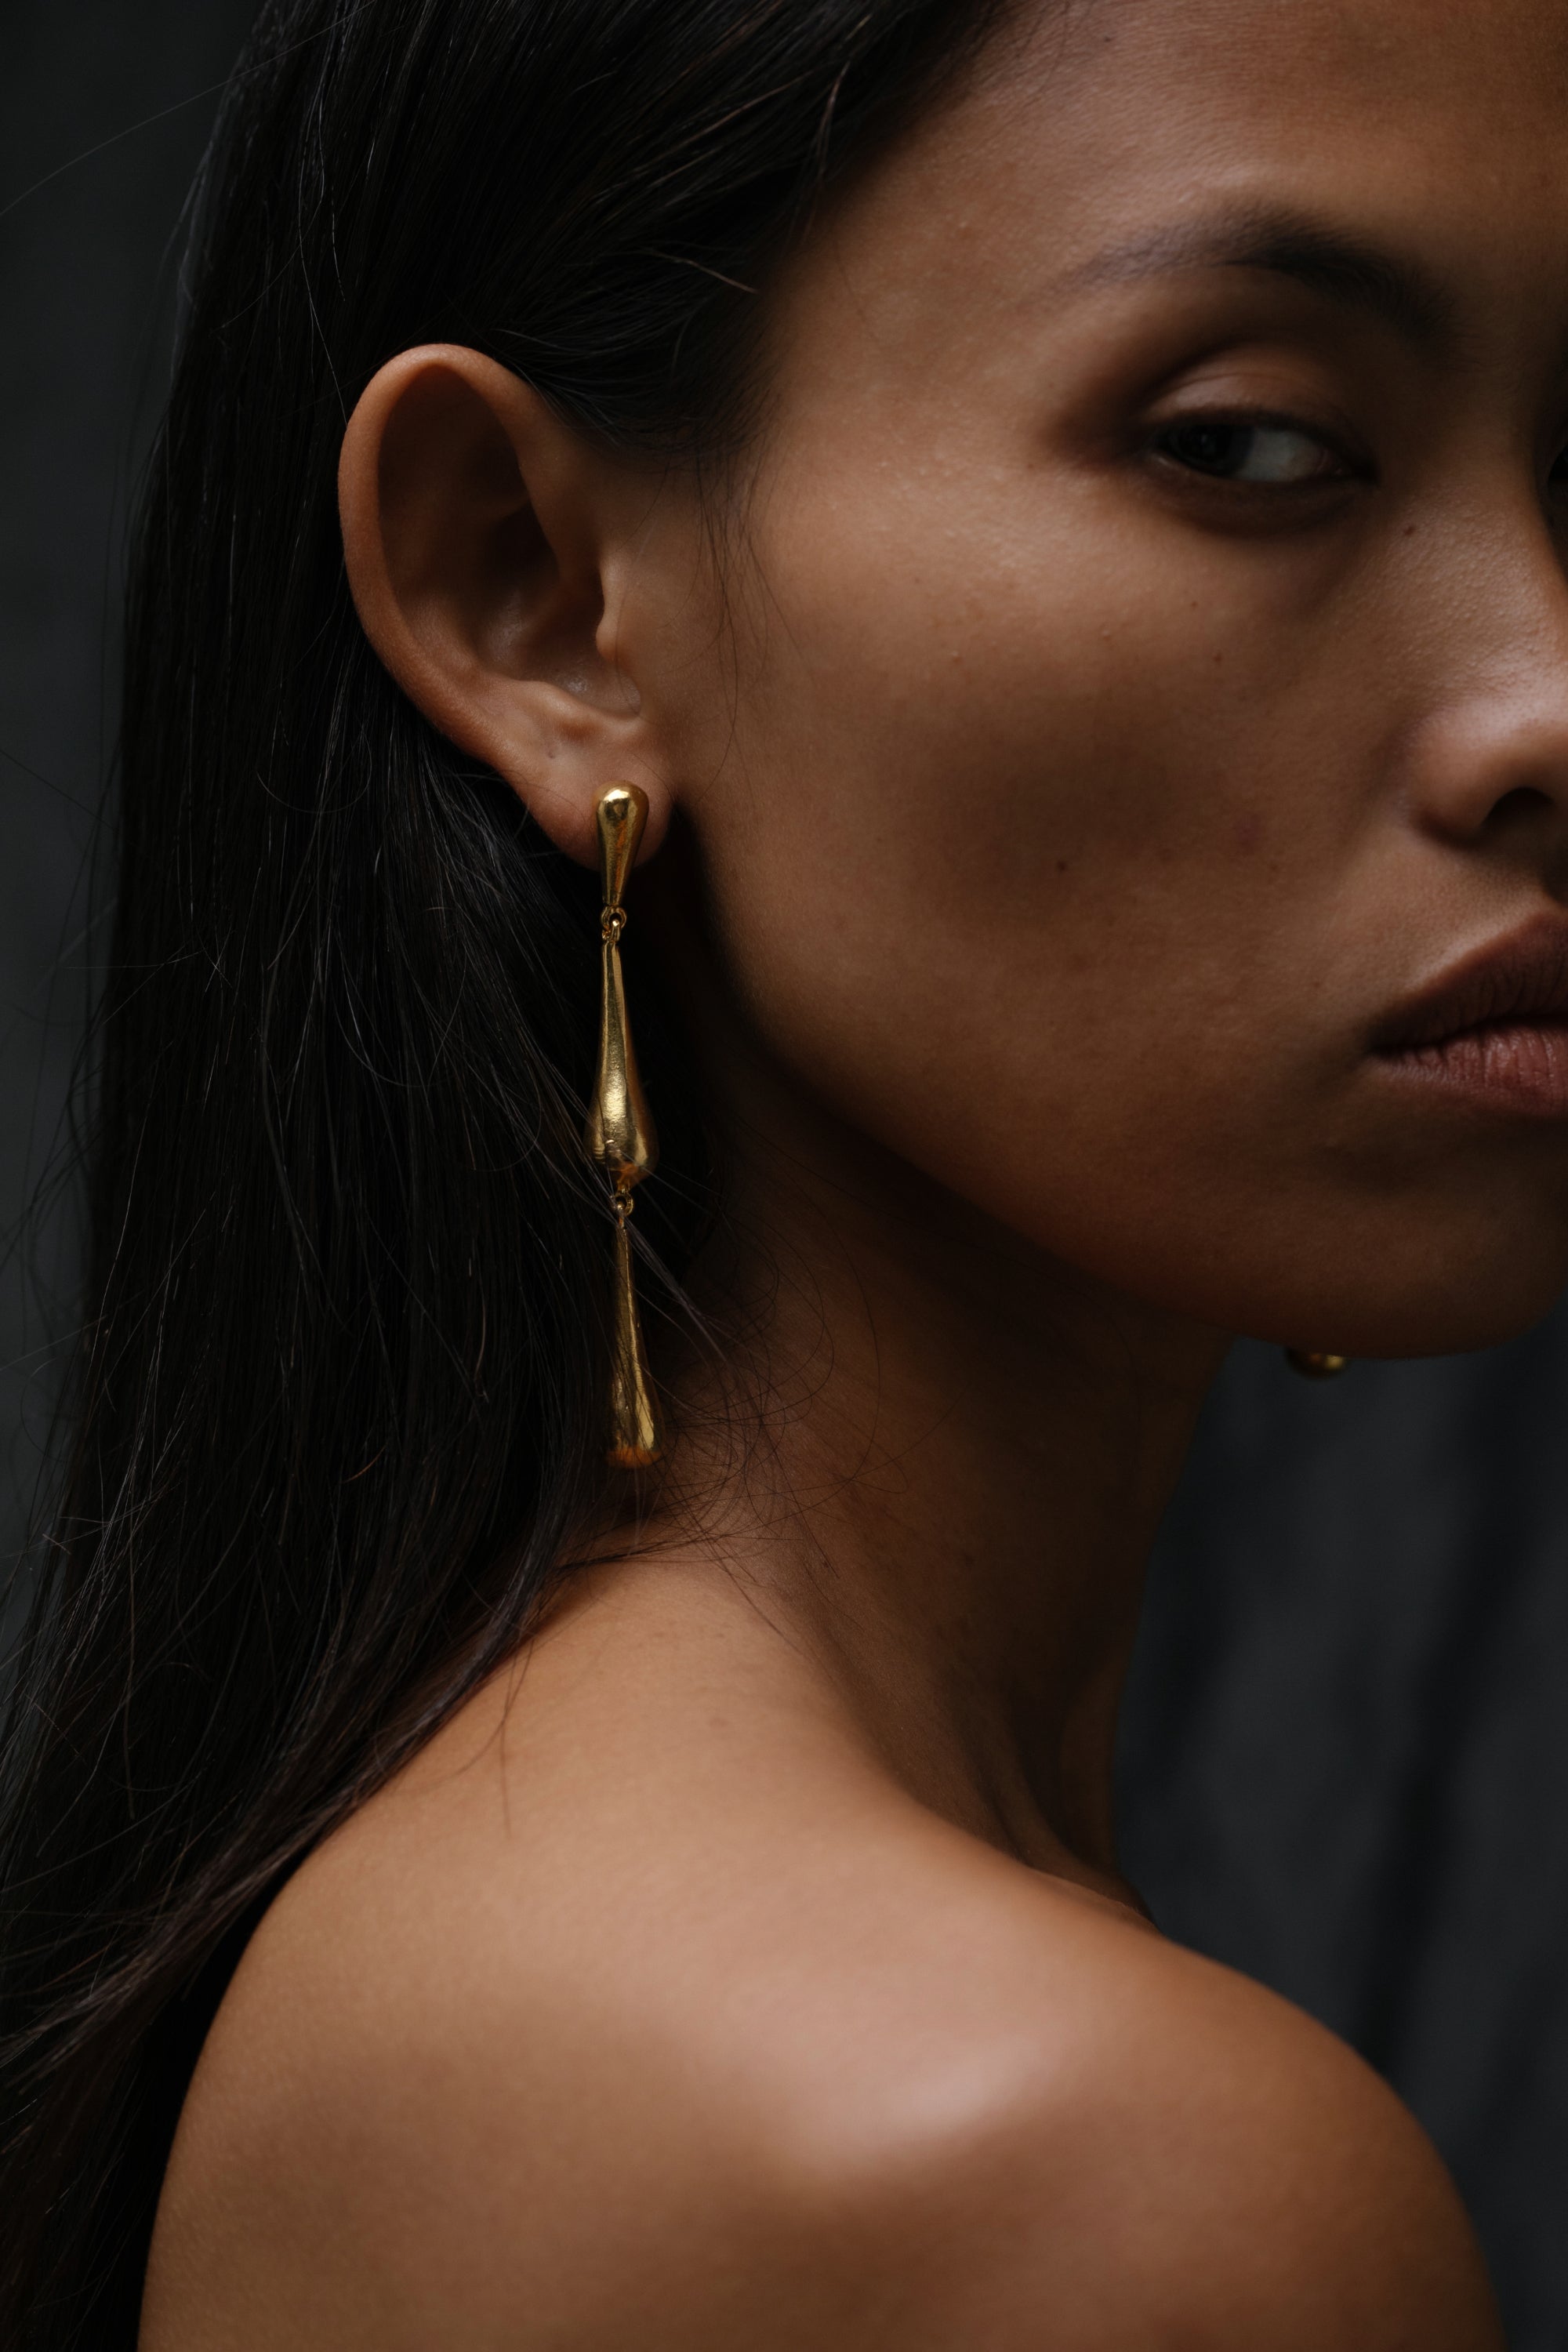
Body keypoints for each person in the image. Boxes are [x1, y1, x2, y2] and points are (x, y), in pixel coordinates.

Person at [2, 0, 1565, 2339]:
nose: (1547, 693)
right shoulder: (1056, 2173)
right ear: (533, 590)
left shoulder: (446, 1931)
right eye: (1247, 443)